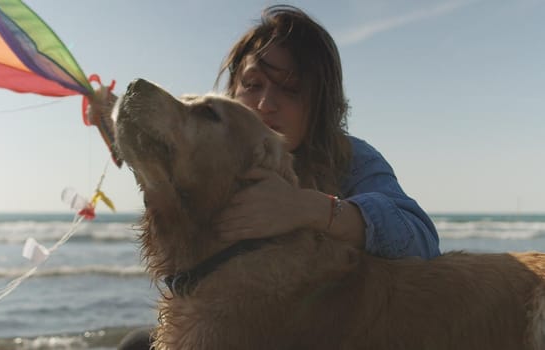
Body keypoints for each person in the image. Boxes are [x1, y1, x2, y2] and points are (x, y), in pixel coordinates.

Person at [112, 5, 440, 348]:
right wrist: (128, 130)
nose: (266, 103)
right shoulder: (211, 150)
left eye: (291, 90)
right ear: (233, 91)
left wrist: (308, 208)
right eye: (252, 85)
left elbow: (421, 242)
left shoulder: (352, 158)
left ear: (320, 105)